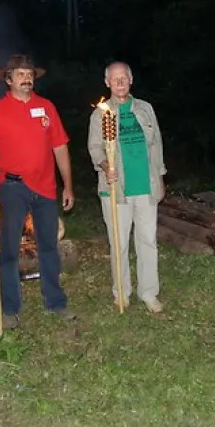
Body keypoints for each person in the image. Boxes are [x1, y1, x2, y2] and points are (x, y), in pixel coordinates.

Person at [0, 54, 76, 331]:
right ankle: (10, 308)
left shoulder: (47, 108)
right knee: (8, 249)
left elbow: (60, 148)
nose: (26, 78)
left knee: (49, 246)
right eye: (20, 74)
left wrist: (68, 184)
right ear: (8, 79)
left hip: (45, 187)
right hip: (12, 187)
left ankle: (56, 301)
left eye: (29, 73)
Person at [88, 61, 167, 313]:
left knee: (147, 241)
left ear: (131, 80)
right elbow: (95, 147)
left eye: (124, 77)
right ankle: (121, 293)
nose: (120, 82)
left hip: (145, 186)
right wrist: (104, 164)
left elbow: (156, 146)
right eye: (115, 78)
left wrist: (161, 176)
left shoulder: (145, 109)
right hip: (115, 189)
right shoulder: (101, 113)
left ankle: (149, 293)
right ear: (107, 82)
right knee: (119, 243)